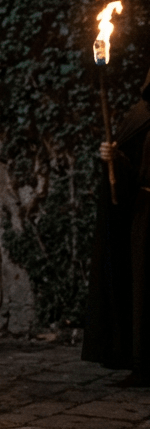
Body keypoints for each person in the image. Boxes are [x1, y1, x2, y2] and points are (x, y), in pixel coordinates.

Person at [83, 65, 150, 382]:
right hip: (144, 215)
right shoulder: (140, 116)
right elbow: (129, 174)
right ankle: (142, 363)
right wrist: (113, 158)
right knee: (142, 288)